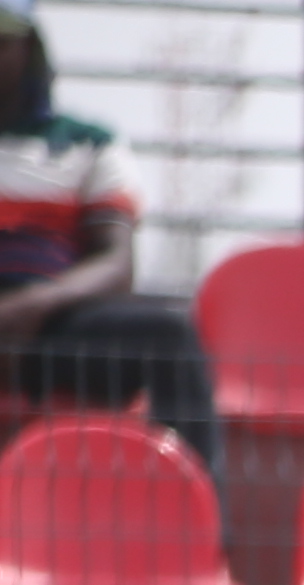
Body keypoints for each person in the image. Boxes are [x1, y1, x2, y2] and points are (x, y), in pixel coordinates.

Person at [0, 12, 208, 466]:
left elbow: (116, 263)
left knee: (168, 335)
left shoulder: (89, 144)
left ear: (30, 50)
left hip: (48, 330)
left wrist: (35, 305)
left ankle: (204, 523)